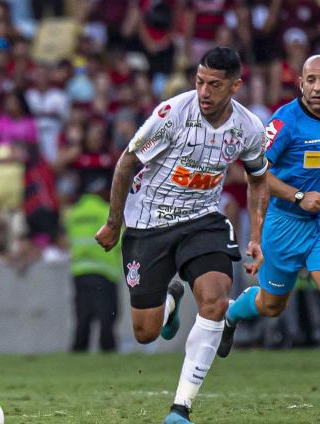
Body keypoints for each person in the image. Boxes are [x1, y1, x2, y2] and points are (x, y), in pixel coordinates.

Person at [95, 47, 269, 424]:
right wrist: (114, 223)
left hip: (202, 220)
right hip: (148, 225)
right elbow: (127, 162)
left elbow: (257, 179)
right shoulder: (172, 115)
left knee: (214, 301)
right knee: (145, 333)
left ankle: (180, 409)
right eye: (200, 82)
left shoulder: (249, 128)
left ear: (235, 86)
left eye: (215, 85)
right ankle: (171, 302)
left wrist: (255, 234)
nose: (204, 92)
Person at [220, 55, 320, 357]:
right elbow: (257, 174)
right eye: (312, 80)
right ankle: (231, 314)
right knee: (271, 305)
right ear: (301, 83)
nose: (317, 87)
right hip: (285, 223)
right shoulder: (285, 121)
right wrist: (299, 197)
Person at [66, 176, 121, 353]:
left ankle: (79, 353)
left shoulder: (74, 213)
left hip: (80, 271)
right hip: (104, 271)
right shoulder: (106, 212)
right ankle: (108, 352)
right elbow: (120, 240)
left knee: (82, 317)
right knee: (107, 318)